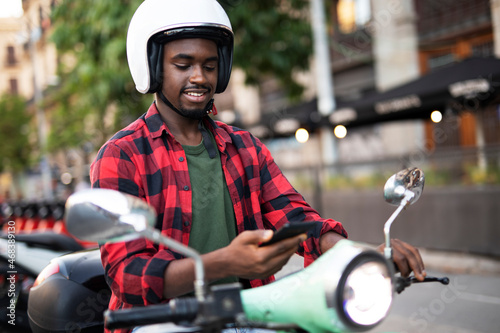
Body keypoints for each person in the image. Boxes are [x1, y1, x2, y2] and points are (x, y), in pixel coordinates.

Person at [90, 0, 426, 332]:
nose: (200, 77)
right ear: (152, 67)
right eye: (183, 64)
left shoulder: (244, 147)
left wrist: (364, 256)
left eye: (209, 65)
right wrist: (222, 263)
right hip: (159, 322)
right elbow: (127, 274)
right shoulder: (122, 155)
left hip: (249, 314)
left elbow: (299, 221)